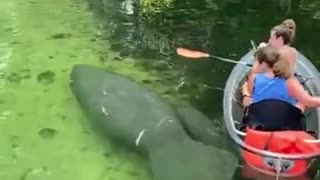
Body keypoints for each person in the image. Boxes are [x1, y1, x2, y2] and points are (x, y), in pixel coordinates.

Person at [242, 46, 320, 131]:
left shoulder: (254, 78)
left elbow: (250, 94)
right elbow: (309, 101)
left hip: (259, 124)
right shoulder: (290, 82)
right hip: (286, 126)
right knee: (301, 102)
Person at [242, 19, 298, 107]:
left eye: (271, 38)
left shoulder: (273, 56)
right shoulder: (292, 53)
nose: (269, 41)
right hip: (284, 96)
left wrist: (261, 53)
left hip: (267, 94)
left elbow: (255, 73)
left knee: (246, 86)